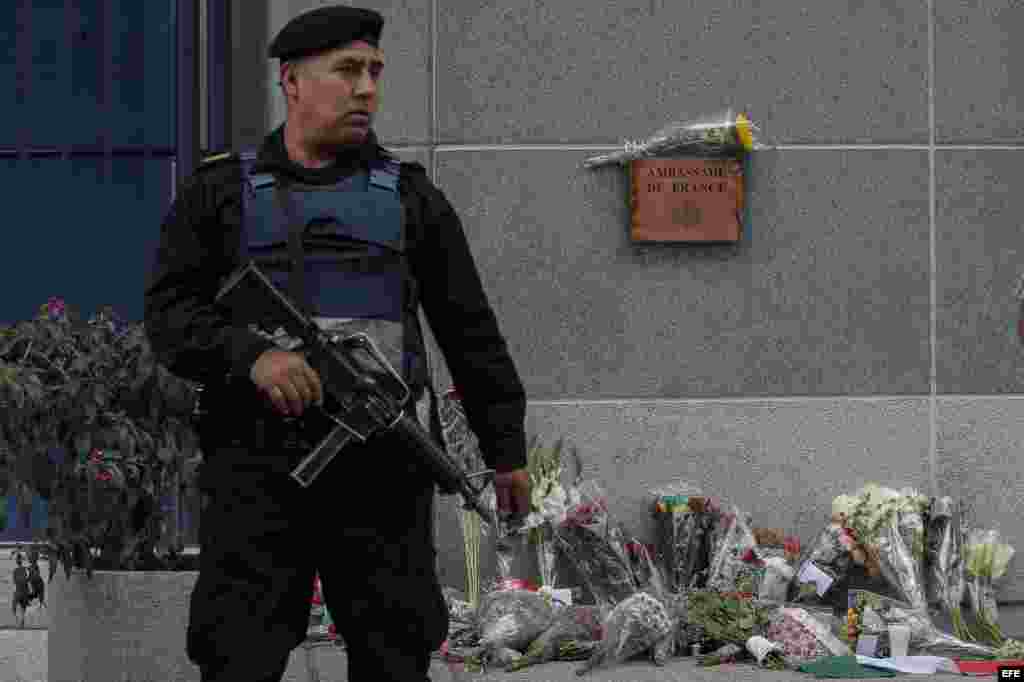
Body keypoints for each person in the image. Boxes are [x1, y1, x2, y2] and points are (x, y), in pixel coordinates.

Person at [143, 5, 531, 682]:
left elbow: (470, 329)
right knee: (238, 655)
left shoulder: (412, 200)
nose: (367, 89)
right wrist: (251, 357)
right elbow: (170, 317)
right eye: (347, 70)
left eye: (375, 72)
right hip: (256, 473)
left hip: (383, 475)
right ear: (291, 82)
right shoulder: (219, 195)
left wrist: (506, 452)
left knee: (395, 655)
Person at [11, 553, 30, 628]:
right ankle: (21, 622)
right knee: (23, 608)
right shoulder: (25, 570)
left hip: (19, 591)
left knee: (14, 608)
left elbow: (15, 581)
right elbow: (28, 580)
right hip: (25, 591)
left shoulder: (15, 571)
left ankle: (19, 622)